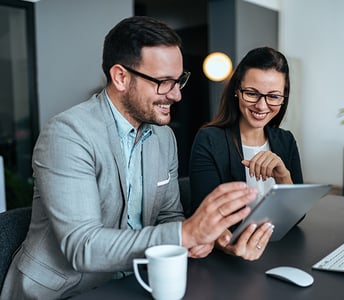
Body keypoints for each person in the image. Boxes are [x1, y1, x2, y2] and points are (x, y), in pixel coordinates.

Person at [0, 16, 258, 300]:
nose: (176, 95)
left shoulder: (163, 137)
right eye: (163, 82)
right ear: (121, 77)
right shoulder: (68, 134)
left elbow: (168, 215)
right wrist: (182, 235)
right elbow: (82, 246)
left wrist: (205, 238)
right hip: (63, 291)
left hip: (135, 281)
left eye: (179, 80)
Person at [189, 46, 304, 260]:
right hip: (229, 258)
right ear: (236, 89)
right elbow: (204, 219)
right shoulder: (210, 140)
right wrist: (227, 245)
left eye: (273, 96)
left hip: (280, 251)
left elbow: (296, 217)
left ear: (283, 97)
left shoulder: (285, 140)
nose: (262, 105)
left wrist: (283, 176)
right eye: (252, 93)